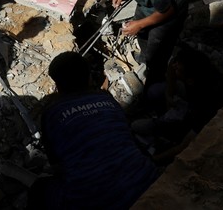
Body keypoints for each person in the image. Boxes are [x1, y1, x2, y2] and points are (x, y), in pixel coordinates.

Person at [30, 52, 160, 210]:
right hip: (148, 184)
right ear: (89, 77)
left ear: (57, 86)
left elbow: (58, 166)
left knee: (38, 189)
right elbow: (126, 136)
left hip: (95, 202)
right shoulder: (107, 99)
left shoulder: (51, 113)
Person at [99, 0, 188, 87]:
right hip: (147, 2)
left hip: (170, 9)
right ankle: (145, 57)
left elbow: (168, 11)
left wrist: (140, 24)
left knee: (158, 49)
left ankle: (155, 78)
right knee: (142, 33)